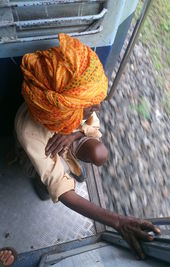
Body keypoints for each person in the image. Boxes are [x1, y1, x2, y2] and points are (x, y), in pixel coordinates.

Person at [15, 33, 160, 260]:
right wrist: (118, 221)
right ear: (64, 114)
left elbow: (91, 126)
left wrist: (73, 135)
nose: (98, 108)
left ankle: (70, 166)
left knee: (99, 153)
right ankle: (44, 181)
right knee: (49, 188)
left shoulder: (73, 109)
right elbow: (62, 191)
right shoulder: (29, 130)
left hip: (68, 137)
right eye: (91, 106)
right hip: (41, 154)